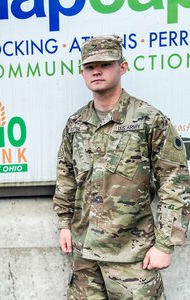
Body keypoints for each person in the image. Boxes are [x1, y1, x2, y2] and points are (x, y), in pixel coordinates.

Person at [53, 34, 190, 299]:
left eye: (105, 64)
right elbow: (66, 176)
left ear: (122, 67)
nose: (97, 72)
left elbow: (175, 182)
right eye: (90, 67)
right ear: (82, 72)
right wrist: (63, 224)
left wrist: (165, 244)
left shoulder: (149, 120)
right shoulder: (76, 124)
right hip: (85, 256)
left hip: (132, 257)